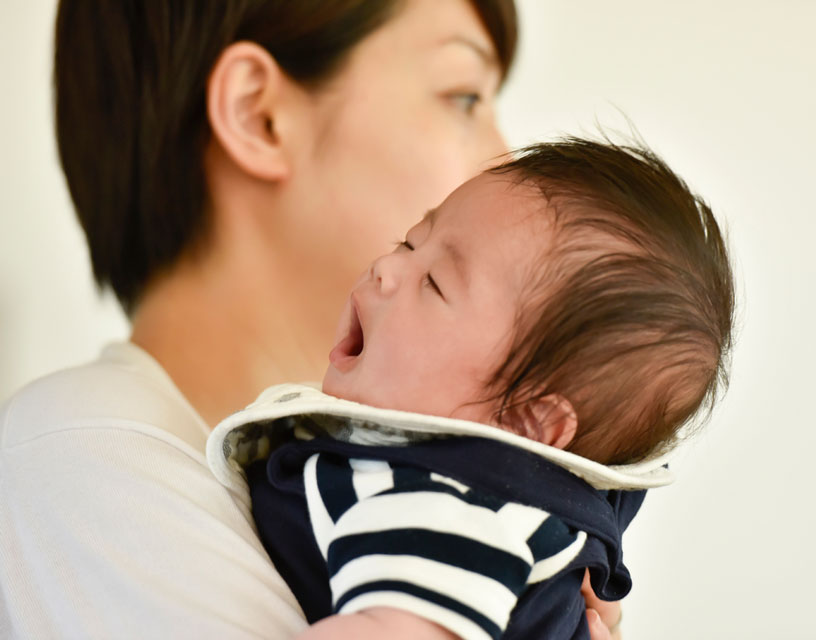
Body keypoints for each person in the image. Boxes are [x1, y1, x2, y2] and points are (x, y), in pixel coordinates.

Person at [0, 1, 619, 638]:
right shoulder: (89, 454)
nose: (505, 160)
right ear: (259, 115)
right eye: (464, 97)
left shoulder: (400, 483)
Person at [205, 138, 736, 639]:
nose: (387, 267)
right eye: (410, 242)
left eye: (435, 283)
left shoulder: (447, 507)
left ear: (526, 419)